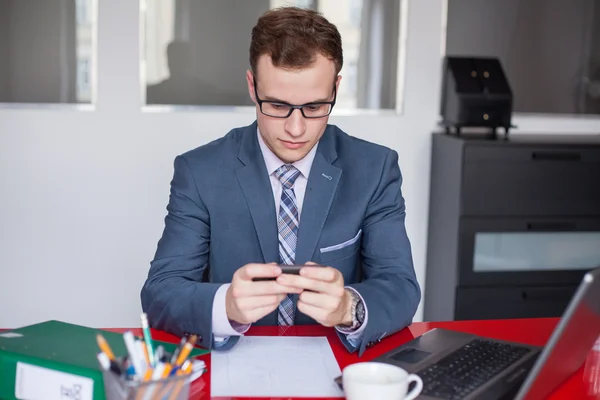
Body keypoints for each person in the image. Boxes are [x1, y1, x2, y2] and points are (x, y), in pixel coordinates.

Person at [140, 6, 421, 357]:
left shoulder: (375, 169)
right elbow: (160, 292)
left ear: (336, 88)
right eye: (276, 105)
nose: (296, 128)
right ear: (251, 86)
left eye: (316, 107)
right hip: (233, 367)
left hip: (338, 367)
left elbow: (401, 286)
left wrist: (349, 307)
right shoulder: (200, 171)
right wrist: (224, 305)